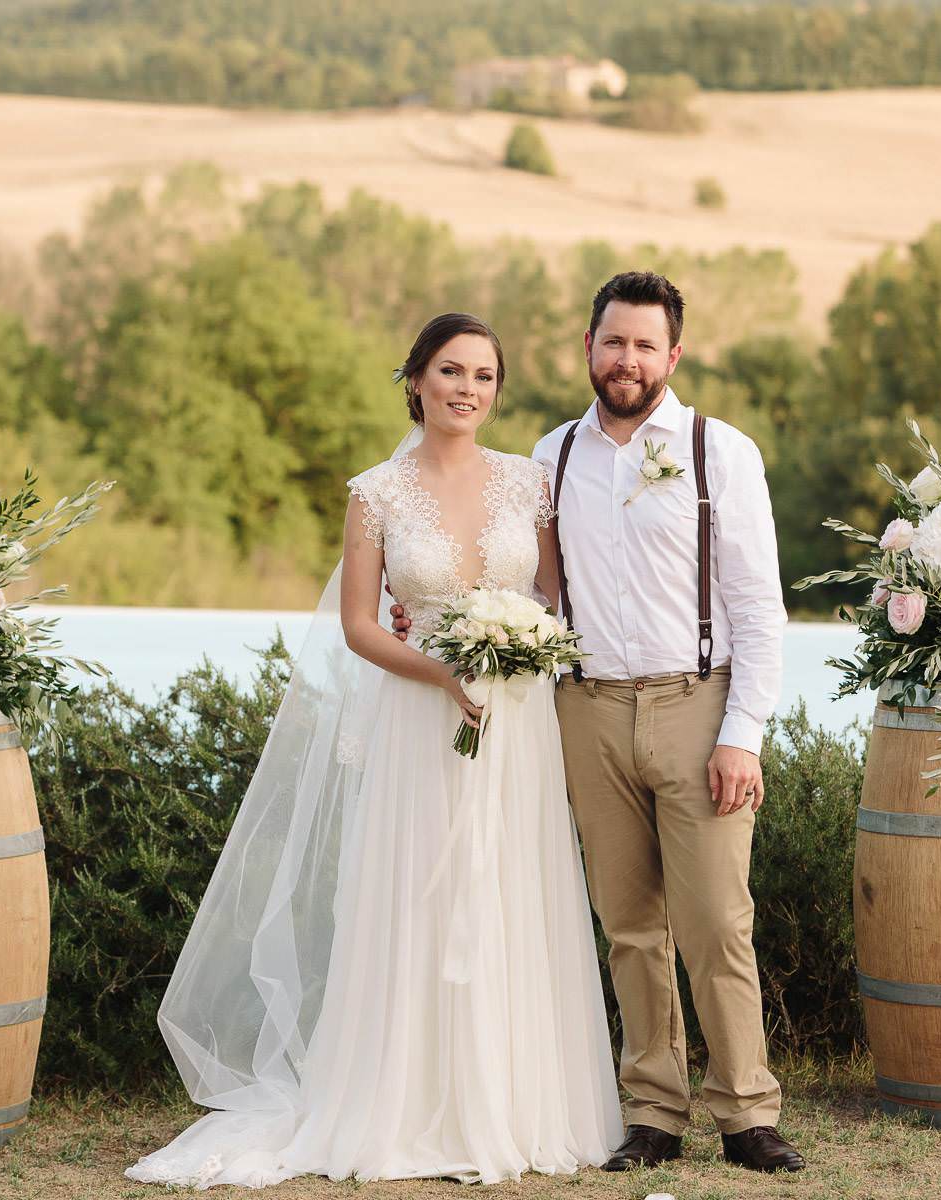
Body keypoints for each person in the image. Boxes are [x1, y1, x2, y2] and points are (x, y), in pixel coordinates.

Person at [125, 313, 622, 1188]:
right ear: (417, 379)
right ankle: (406, 1101)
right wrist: (442, 672)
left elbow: (552, 591)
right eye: (451, 371)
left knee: (511, 890)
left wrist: (521, 645)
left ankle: (515, 1103)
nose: (467, 389)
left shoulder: (529, 482)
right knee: (418, 893)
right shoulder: (376, 494)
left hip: (515, 724)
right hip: (418, 719)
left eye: (484, 376)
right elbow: (359, 625)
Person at [392, 273, 804, 1173]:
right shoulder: (550, 457)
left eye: (645, 345)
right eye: (613, 342)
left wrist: (743, 732)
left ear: (673, 355)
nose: (627, 360)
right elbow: (528, 586)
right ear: (588, 347)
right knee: (628, 924)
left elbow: (758, 606)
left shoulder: (721, 452)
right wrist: (424, 614)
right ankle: (653, 1112)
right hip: (583, 709)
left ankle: (747, 1113)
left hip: (697, 703)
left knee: (716, 920)